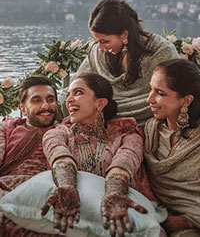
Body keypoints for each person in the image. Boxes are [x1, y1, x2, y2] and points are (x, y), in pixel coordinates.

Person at [41, 72, 158, 237]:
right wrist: (66, 187)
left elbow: (124, 163)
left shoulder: (128, 135)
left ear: (100, 103)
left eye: (78, 92)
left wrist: (114, 194)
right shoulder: (57, 133)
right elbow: (59, 156)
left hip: (119, 211)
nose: (69, 100)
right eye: (68, 95)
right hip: (72, 210)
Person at [75, 0, 180, 127]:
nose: (100, 48)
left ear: (124, 35)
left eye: (104, 41)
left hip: (146, 112)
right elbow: (77, 84)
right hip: (103, 108)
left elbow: (175, 95)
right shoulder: (97, 53)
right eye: (97, 41)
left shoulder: (162, 51)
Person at [144, 59, 200, 237]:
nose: (149, 99)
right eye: (151, 89)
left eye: (160, 93)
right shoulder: (151, 130)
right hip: (155, 217)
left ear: (186, 100)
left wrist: (185, 221)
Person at [0, 75, 61, 237]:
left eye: (50, 99)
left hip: (48, 199)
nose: (46, 106)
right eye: (36, 100)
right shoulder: (7, 129)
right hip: (8, 195)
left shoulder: (66, 133)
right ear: (23, 108)